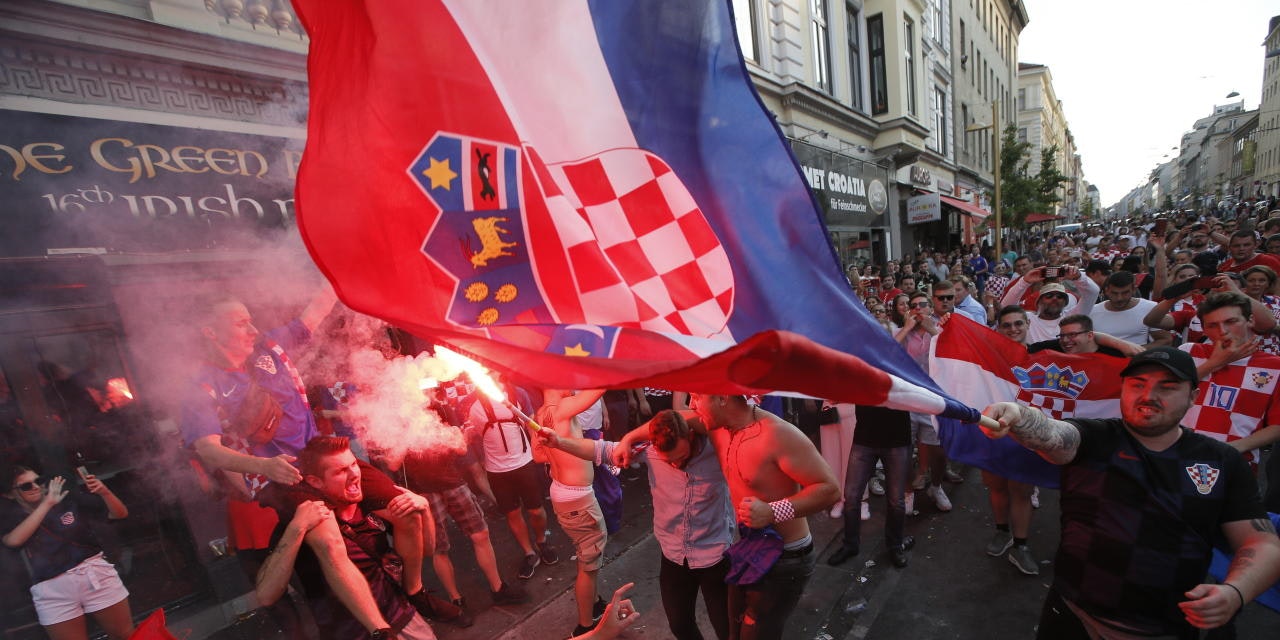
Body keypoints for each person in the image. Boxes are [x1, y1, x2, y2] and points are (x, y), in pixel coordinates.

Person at [182, 290, 459, 632]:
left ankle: (414, 590)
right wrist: (264, 467)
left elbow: (314, 311)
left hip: (325, 453)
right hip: (283, 476)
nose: (252, 328)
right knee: (329, 542)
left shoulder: (270, 346)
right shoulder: (202, 385)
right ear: (211, 332)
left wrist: (334, 275)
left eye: (251, 320)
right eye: (241, 323)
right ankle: (380, 629)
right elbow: (207, 449)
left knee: (409, 509)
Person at [981, 348, 1280, 638]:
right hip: (1071, 612)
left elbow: (1263, 542)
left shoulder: (1222, 461)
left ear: (1193, 397)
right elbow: (1054, 435)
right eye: (1138, 384)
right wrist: (1018, 415)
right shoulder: (1095, 438)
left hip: (1161, 627)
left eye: (1168, 387)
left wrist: (1236, 591)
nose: (1149, 396)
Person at [618, 395, 839, 639]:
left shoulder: (777, 434)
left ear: (722, 397)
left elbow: (830, 490)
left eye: (698, 398)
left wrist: (773, 510)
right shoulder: (718, 428)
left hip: (786, 558)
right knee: (732, 631)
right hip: (749, 547)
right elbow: (674, 420)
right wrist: (630, 438)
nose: (692, 404)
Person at [538, 410, 732, 640]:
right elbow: (600, 450)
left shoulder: (718, 449)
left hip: (715, 556)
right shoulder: (649, 451)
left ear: (690, 436)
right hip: (674, 557)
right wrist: (559, 442)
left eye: (682, 456)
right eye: (669, 460)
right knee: (680, 624)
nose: (677, 464)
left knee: (728, 629)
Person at [254, 437, 438, 640]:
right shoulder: (306, 523)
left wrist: (424, 508)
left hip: (406, 619)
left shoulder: (371, 506)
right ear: (316, 482)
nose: (354, 475)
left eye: (354, 464)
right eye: (341, 471)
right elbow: (265, 595)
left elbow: (428, 550)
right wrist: (296, 529)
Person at [2, 467, 133, 640]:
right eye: (26, 486)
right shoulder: (13, 517)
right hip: (52, 590)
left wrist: (105, 492)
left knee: (126, 636)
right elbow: (13, 541)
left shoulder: (68, 500)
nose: (35, 487)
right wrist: (47, 504)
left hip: (93, 575)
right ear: (12, 494)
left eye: (38, 481)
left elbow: (120, 513)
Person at [535, 389, 610, 638]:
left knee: (586, 553)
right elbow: (601, 385)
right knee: (588, 565)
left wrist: (558, 450)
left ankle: (595, 602)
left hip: (562, 493)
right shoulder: (563, 408)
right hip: (578, 499)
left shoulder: (540, 412)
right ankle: (585, 626)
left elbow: (537, 455)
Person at [463, 381, 556, 580]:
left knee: (536, 510)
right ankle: (529, 553)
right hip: (497, 470)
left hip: (524, 463)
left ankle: (541, 541)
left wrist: (542, 453)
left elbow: (531, 424)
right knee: (512, 514)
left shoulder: (518, 393)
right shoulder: (472, 403)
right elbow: (475, 434)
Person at [1180, 291, 1280, 470]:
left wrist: (1231, 449)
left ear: (1250, 320)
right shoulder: (1188, 351)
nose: (1223, 331)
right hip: (1176, 455)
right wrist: (1215, 363)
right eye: (1212, 325)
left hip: (1234, 462)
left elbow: (1277, 425)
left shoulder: (1274, 366)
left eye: (1231, 322)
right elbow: (1163, 390)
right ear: (1203, 328)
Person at [826, 405, 915, 569]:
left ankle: (895, 546)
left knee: (896, 500)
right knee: (851, 496)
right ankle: (850, 545)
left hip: (897, 440)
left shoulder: (903, 377)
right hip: (864, 439)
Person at [1000, 266, 1100, 342]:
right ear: (1038, 302)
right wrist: (1025, 282)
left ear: (1065, 303)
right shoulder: (1028, 319)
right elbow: (1006, 308)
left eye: (1060, 296)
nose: (1055, 299)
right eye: (1049, 296)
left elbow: (1093, 293)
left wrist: (1078, 277)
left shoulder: (1072, 317)